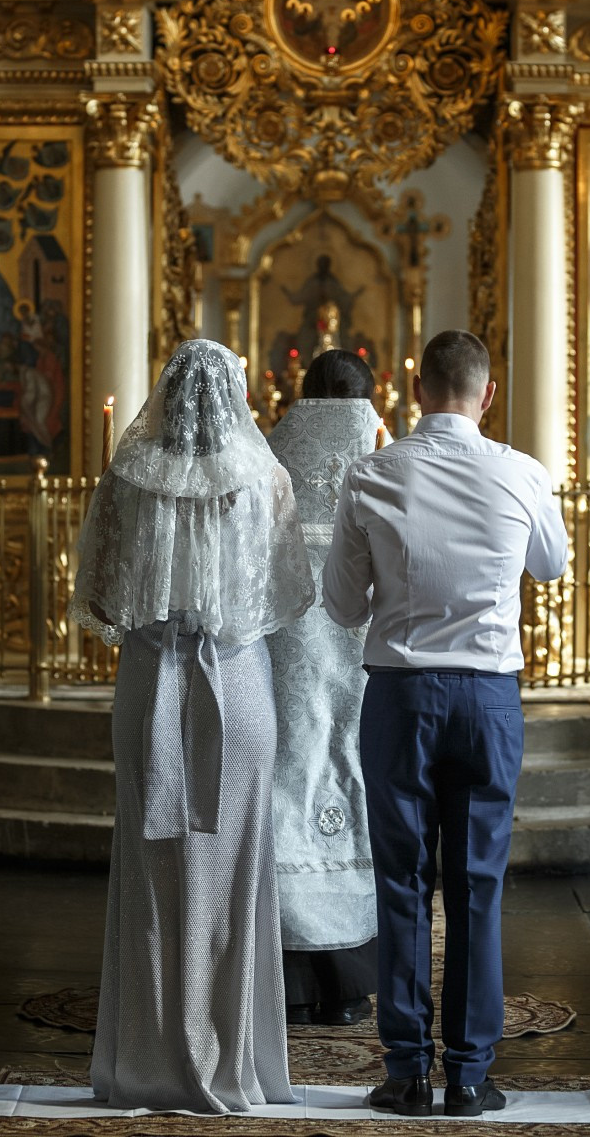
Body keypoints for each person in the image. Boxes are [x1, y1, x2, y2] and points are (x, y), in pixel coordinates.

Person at [323, 330, 568, 1119]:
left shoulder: (370, 475)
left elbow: (340, 605)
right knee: (476, 886)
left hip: (400, 695)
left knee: (398, 882)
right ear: (487, 393)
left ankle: (404, 1073)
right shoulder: (522, 473)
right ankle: (468, 1075)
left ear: (414, 387)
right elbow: (550, 565)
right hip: (488, 699)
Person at [68, 340, 315, 1114]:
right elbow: (285, 595)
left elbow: (102, 601)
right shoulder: (265, 479)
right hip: (236, 687)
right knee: (238, 868)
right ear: (235, 398)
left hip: (152, 684)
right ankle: (233, 1061)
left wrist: (164, 616)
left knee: (151, 868)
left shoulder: (126, 480)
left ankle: (147, 1064)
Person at [266, 349, 385, 1027]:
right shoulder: (386, 458)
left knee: (289, 784)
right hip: (362, 654)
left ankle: (290, 981)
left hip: (282, 655)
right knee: (348, 779)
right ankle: (345, 982)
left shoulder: (265, 453)